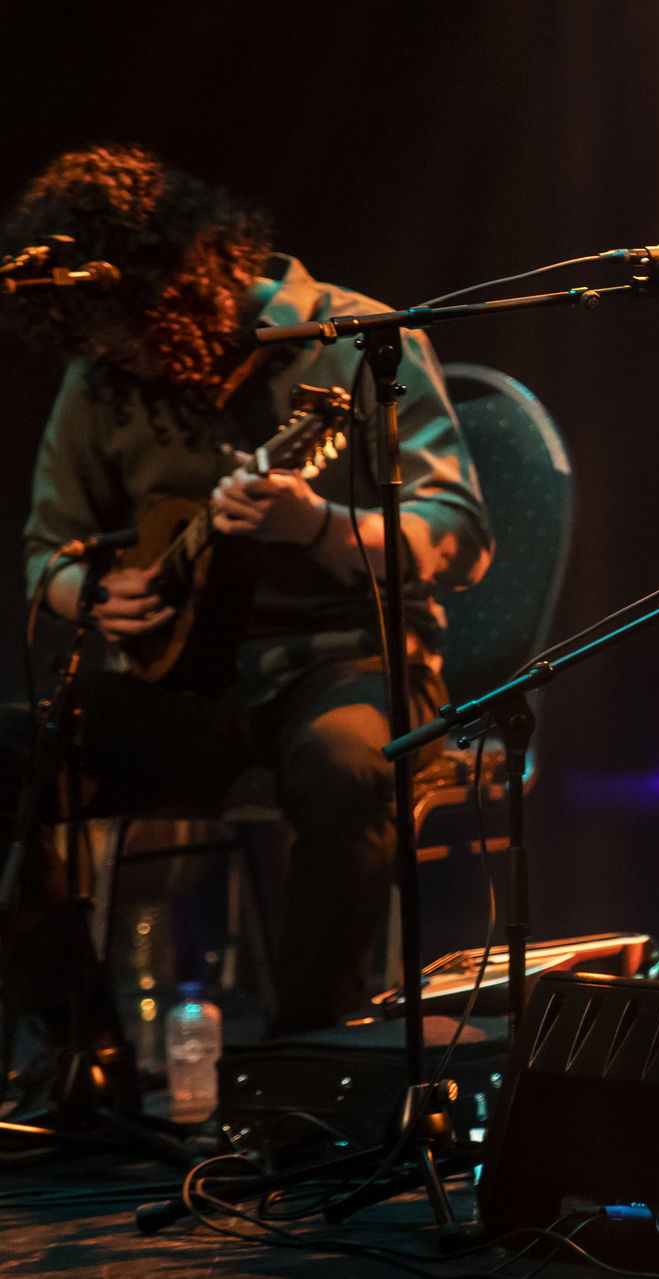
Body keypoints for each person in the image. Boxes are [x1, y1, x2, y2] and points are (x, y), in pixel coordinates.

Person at [0, 144, 491, 1060]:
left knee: (349, 767)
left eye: (118, 325)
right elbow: (44, 552)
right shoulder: (99, 378)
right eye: (87, 334)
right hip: (184, 687)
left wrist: (315, 525)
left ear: (177, 281)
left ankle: (311, 1073)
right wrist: (94, 592)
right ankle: (83, 1053)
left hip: (347, 657)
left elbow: (455, 531)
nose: (105, 347)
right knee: (6, 754)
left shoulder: (353, 339)